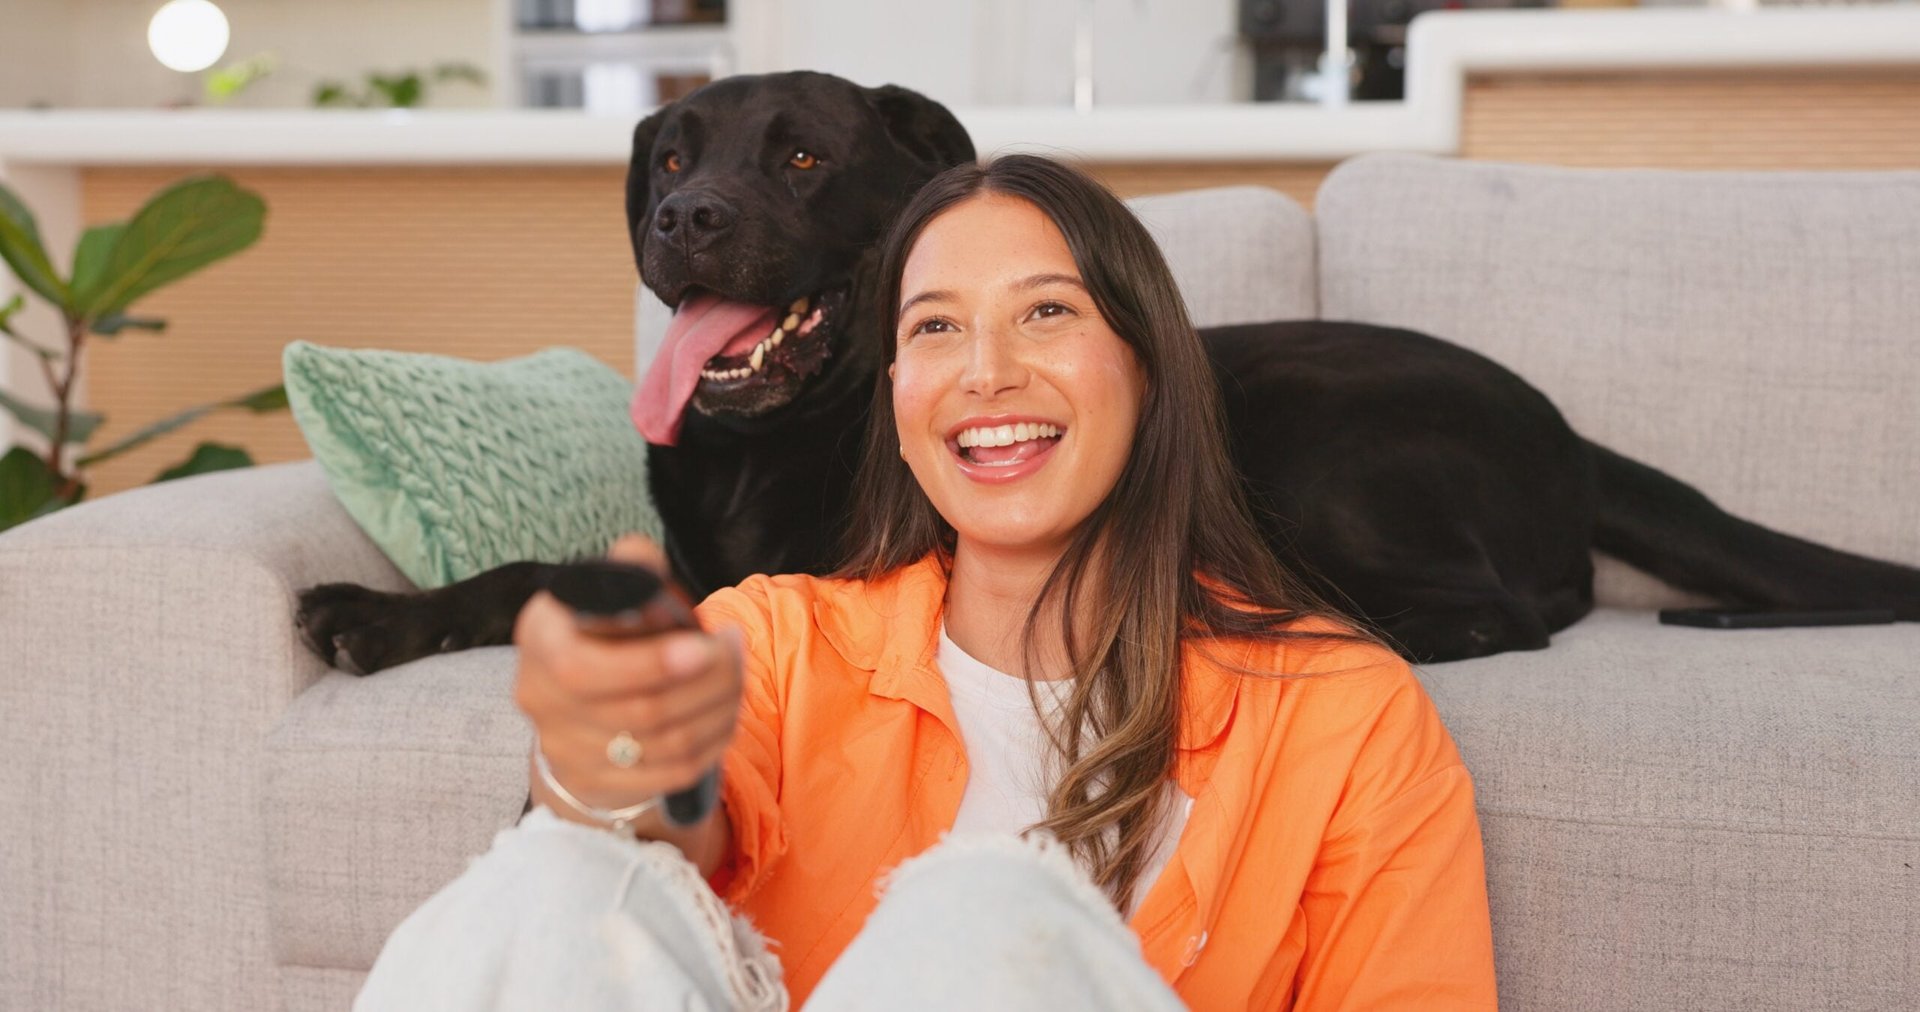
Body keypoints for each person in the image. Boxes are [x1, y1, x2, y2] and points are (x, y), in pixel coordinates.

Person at [357, 155, 1498, 1011]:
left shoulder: (1347, 717)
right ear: (897, 397)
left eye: (1046, 311)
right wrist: (612, 765)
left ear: (1149, 368)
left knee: (986, 905)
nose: (986, 373)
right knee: (555, 876)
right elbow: (660, 837)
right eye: (937, 327)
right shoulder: (776, 637)